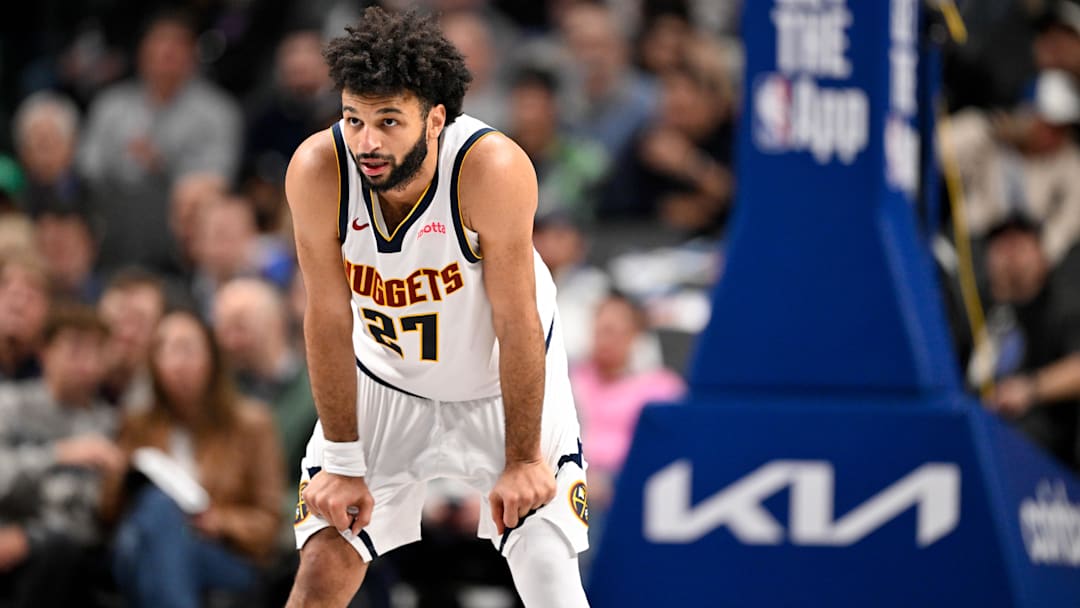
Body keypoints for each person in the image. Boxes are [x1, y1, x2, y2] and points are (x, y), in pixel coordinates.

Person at [284, 8, 589, 607]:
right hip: (386, 381)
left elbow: (517, 322)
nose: (366, 141)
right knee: (320, 569)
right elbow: (325, 318)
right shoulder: (319, 170)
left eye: (388, 121)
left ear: (435, 120)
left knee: (550, 578)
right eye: (353, 119)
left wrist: (524, 457)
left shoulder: (490, 169)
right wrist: (343, 460)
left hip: (501, 384)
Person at [102, 310, 284, 608]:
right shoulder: (137, 425)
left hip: (223, 553)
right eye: (164, 350)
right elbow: (108, 511)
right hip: (149, 541)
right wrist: (121, 474)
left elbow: (269, 523)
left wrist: (219, 522)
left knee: (148, 552)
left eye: (186, 349)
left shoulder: (251, 424)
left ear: (212, 358)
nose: (176, 363)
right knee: (156, 513)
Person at [0, 305, 123, 607]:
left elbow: (95, 515)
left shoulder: (112, 425)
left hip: (69, 555)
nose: (85, 363)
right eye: (75, 348)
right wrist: (58, 454)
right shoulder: (10, 404)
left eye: (96, 352)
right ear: (45, 352)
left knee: (61, 552)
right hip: (6, 534)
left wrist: (31, 538)